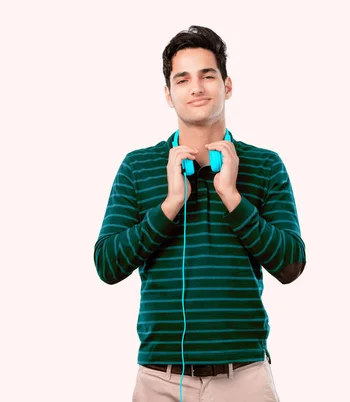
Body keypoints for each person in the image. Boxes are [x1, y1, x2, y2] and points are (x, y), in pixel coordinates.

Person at [93, 25, 306, 401]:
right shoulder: (138, 166)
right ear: (168, 94)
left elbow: (291, 265)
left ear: (227, 85)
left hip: (244, 377)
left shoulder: (265, 165)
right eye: (183, 79)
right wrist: (170, 205)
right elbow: (108, 265)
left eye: (208, 76)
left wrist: (231, 196)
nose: (196, 88)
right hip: (159, 379)